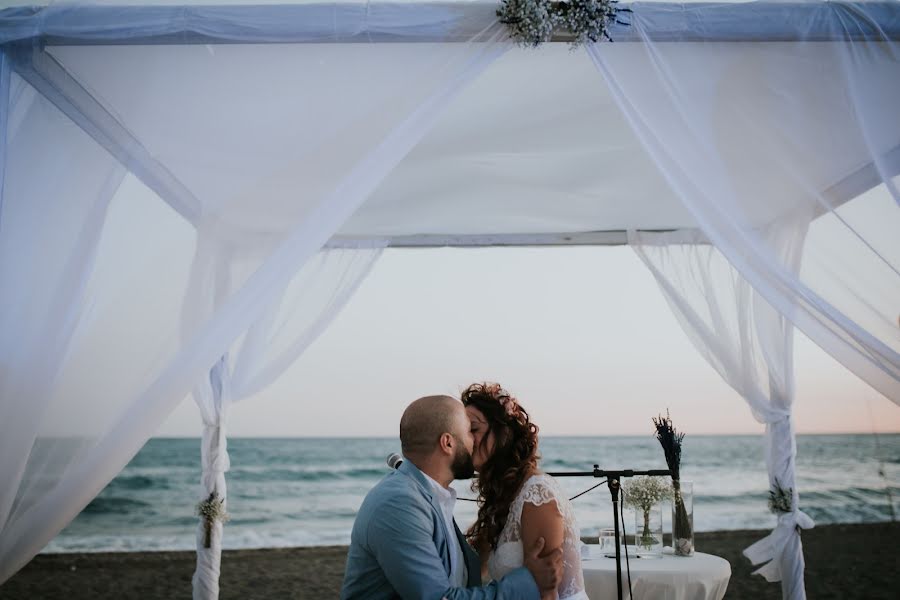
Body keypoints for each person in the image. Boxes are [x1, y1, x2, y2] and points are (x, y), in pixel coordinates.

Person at [341, 394, 564, 600]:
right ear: (447, 443)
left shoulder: (429, 495)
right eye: (469, 431)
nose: (474, 442)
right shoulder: (399, 503)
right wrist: (528, 582)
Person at [463, 383, 588, 600]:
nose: (466, 440)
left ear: (504, 433)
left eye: (474, 429)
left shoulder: (537, 495)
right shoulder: (503, 495)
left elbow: (547, 593)